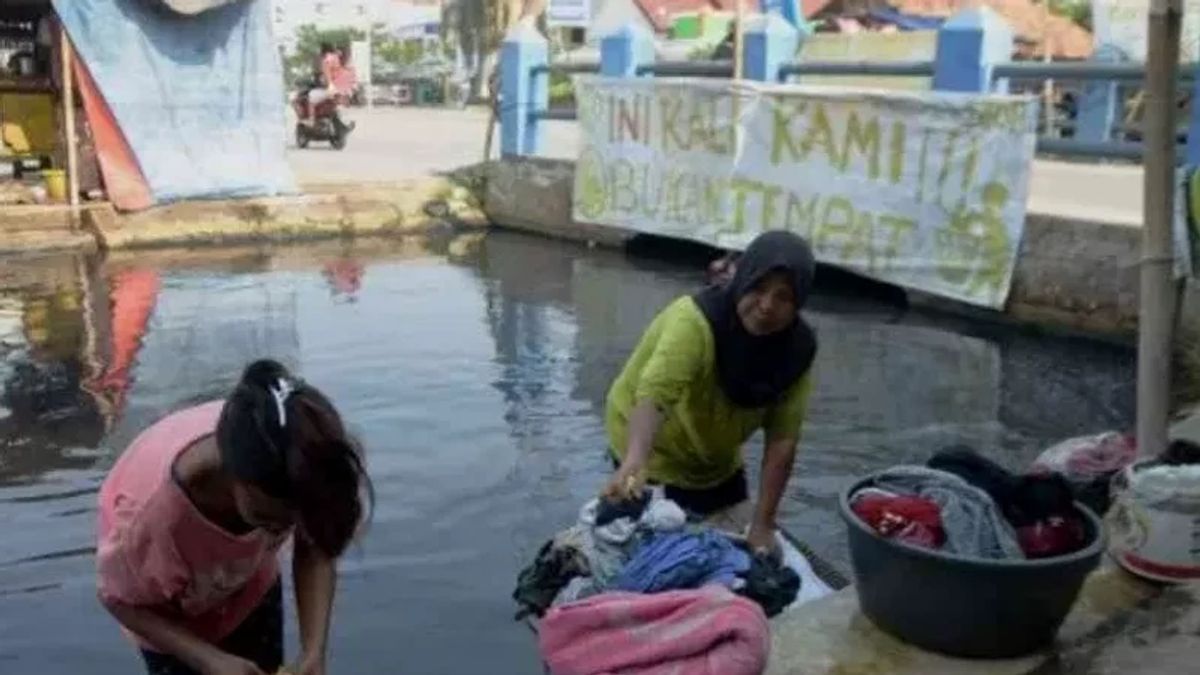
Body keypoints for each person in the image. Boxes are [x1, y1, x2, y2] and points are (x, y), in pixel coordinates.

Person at [96, 359, 372, 675]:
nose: (281, 531)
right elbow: (119, 601)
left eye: (289, 523)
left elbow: (315, 544)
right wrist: (208, 659)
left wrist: (313, 650)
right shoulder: (150, 522)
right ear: (231, 474)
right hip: (171, 622)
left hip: (248, 585)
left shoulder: (289, 461)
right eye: (266, 520)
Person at [604, 231, 818, 553]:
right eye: (758, 288)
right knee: (657, 542)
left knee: (740, 544)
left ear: (798, 303)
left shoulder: (797, 352)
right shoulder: (694, 321)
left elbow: (782, 441)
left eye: (783, 297)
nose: (766, 306)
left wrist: (763, 523)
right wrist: (635, 459)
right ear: (742, 280)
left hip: (715, 459)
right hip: (655, 445)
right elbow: (655, 395)